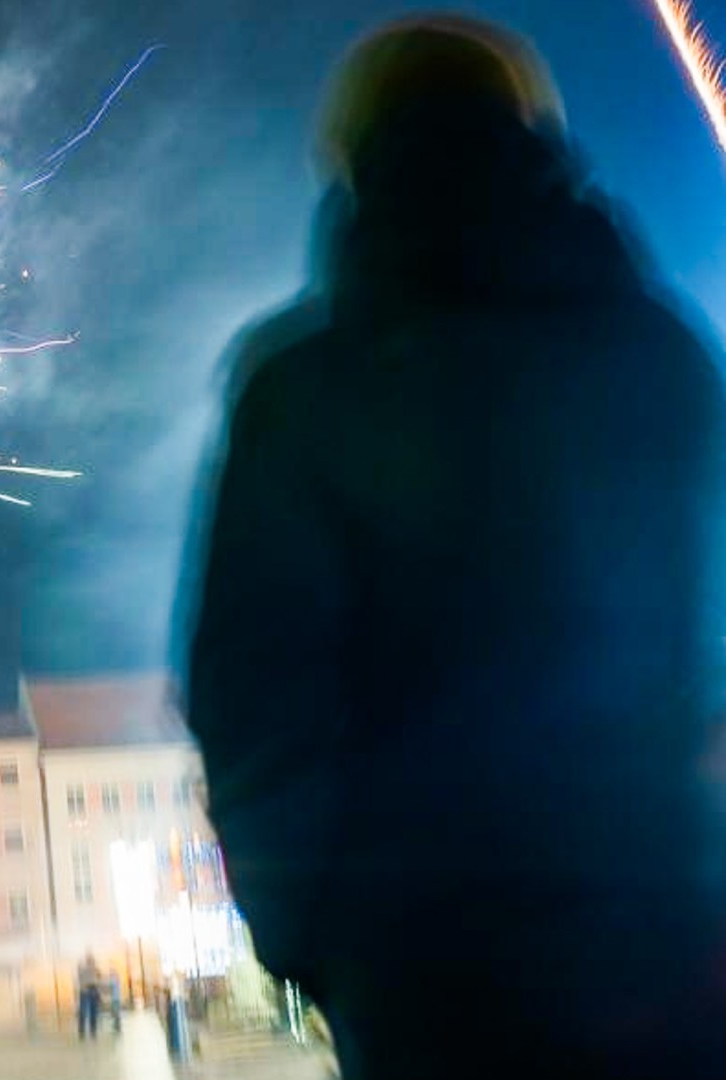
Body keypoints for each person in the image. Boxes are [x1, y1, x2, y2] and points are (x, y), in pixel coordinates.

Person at [188, 15, 726, 1080]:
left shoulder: (301, 386)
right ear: (534, 130)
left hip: (421, 963)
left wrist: (310, 941)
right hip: (668, 931)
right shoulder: (664, 353)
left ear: (348, 156)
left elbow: (254, 697)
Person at [76, 951, 100, 1040]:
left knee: (93, 1012)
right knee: (83, 1012)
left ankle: (92, 1031)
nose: (91, 962)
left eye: (92, 960)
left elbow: (98, 978)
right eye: (89, 960)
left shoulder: (95, 969)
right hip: (85, 990)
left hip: (93, 989)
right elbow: (80, 978)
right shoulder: (83, 969)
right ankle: (82, 1031)